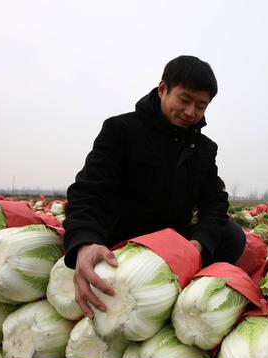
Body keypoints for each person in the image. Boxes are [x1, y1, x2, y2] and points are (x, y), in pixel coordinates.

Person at [63, 55, 246, 317]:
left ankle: (188, 300)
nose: (191, 112)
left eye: (201, 106)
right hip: (123, 243)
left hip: (172, 245)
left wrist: (198, 243)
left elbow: (215, 202)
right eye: (184, 100)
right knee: (92, 244)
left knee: (231, 235)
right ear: (162, 89)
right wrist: (85, 242)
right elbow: (89, 191)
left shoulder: (204, 149)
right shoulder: (121, 130)